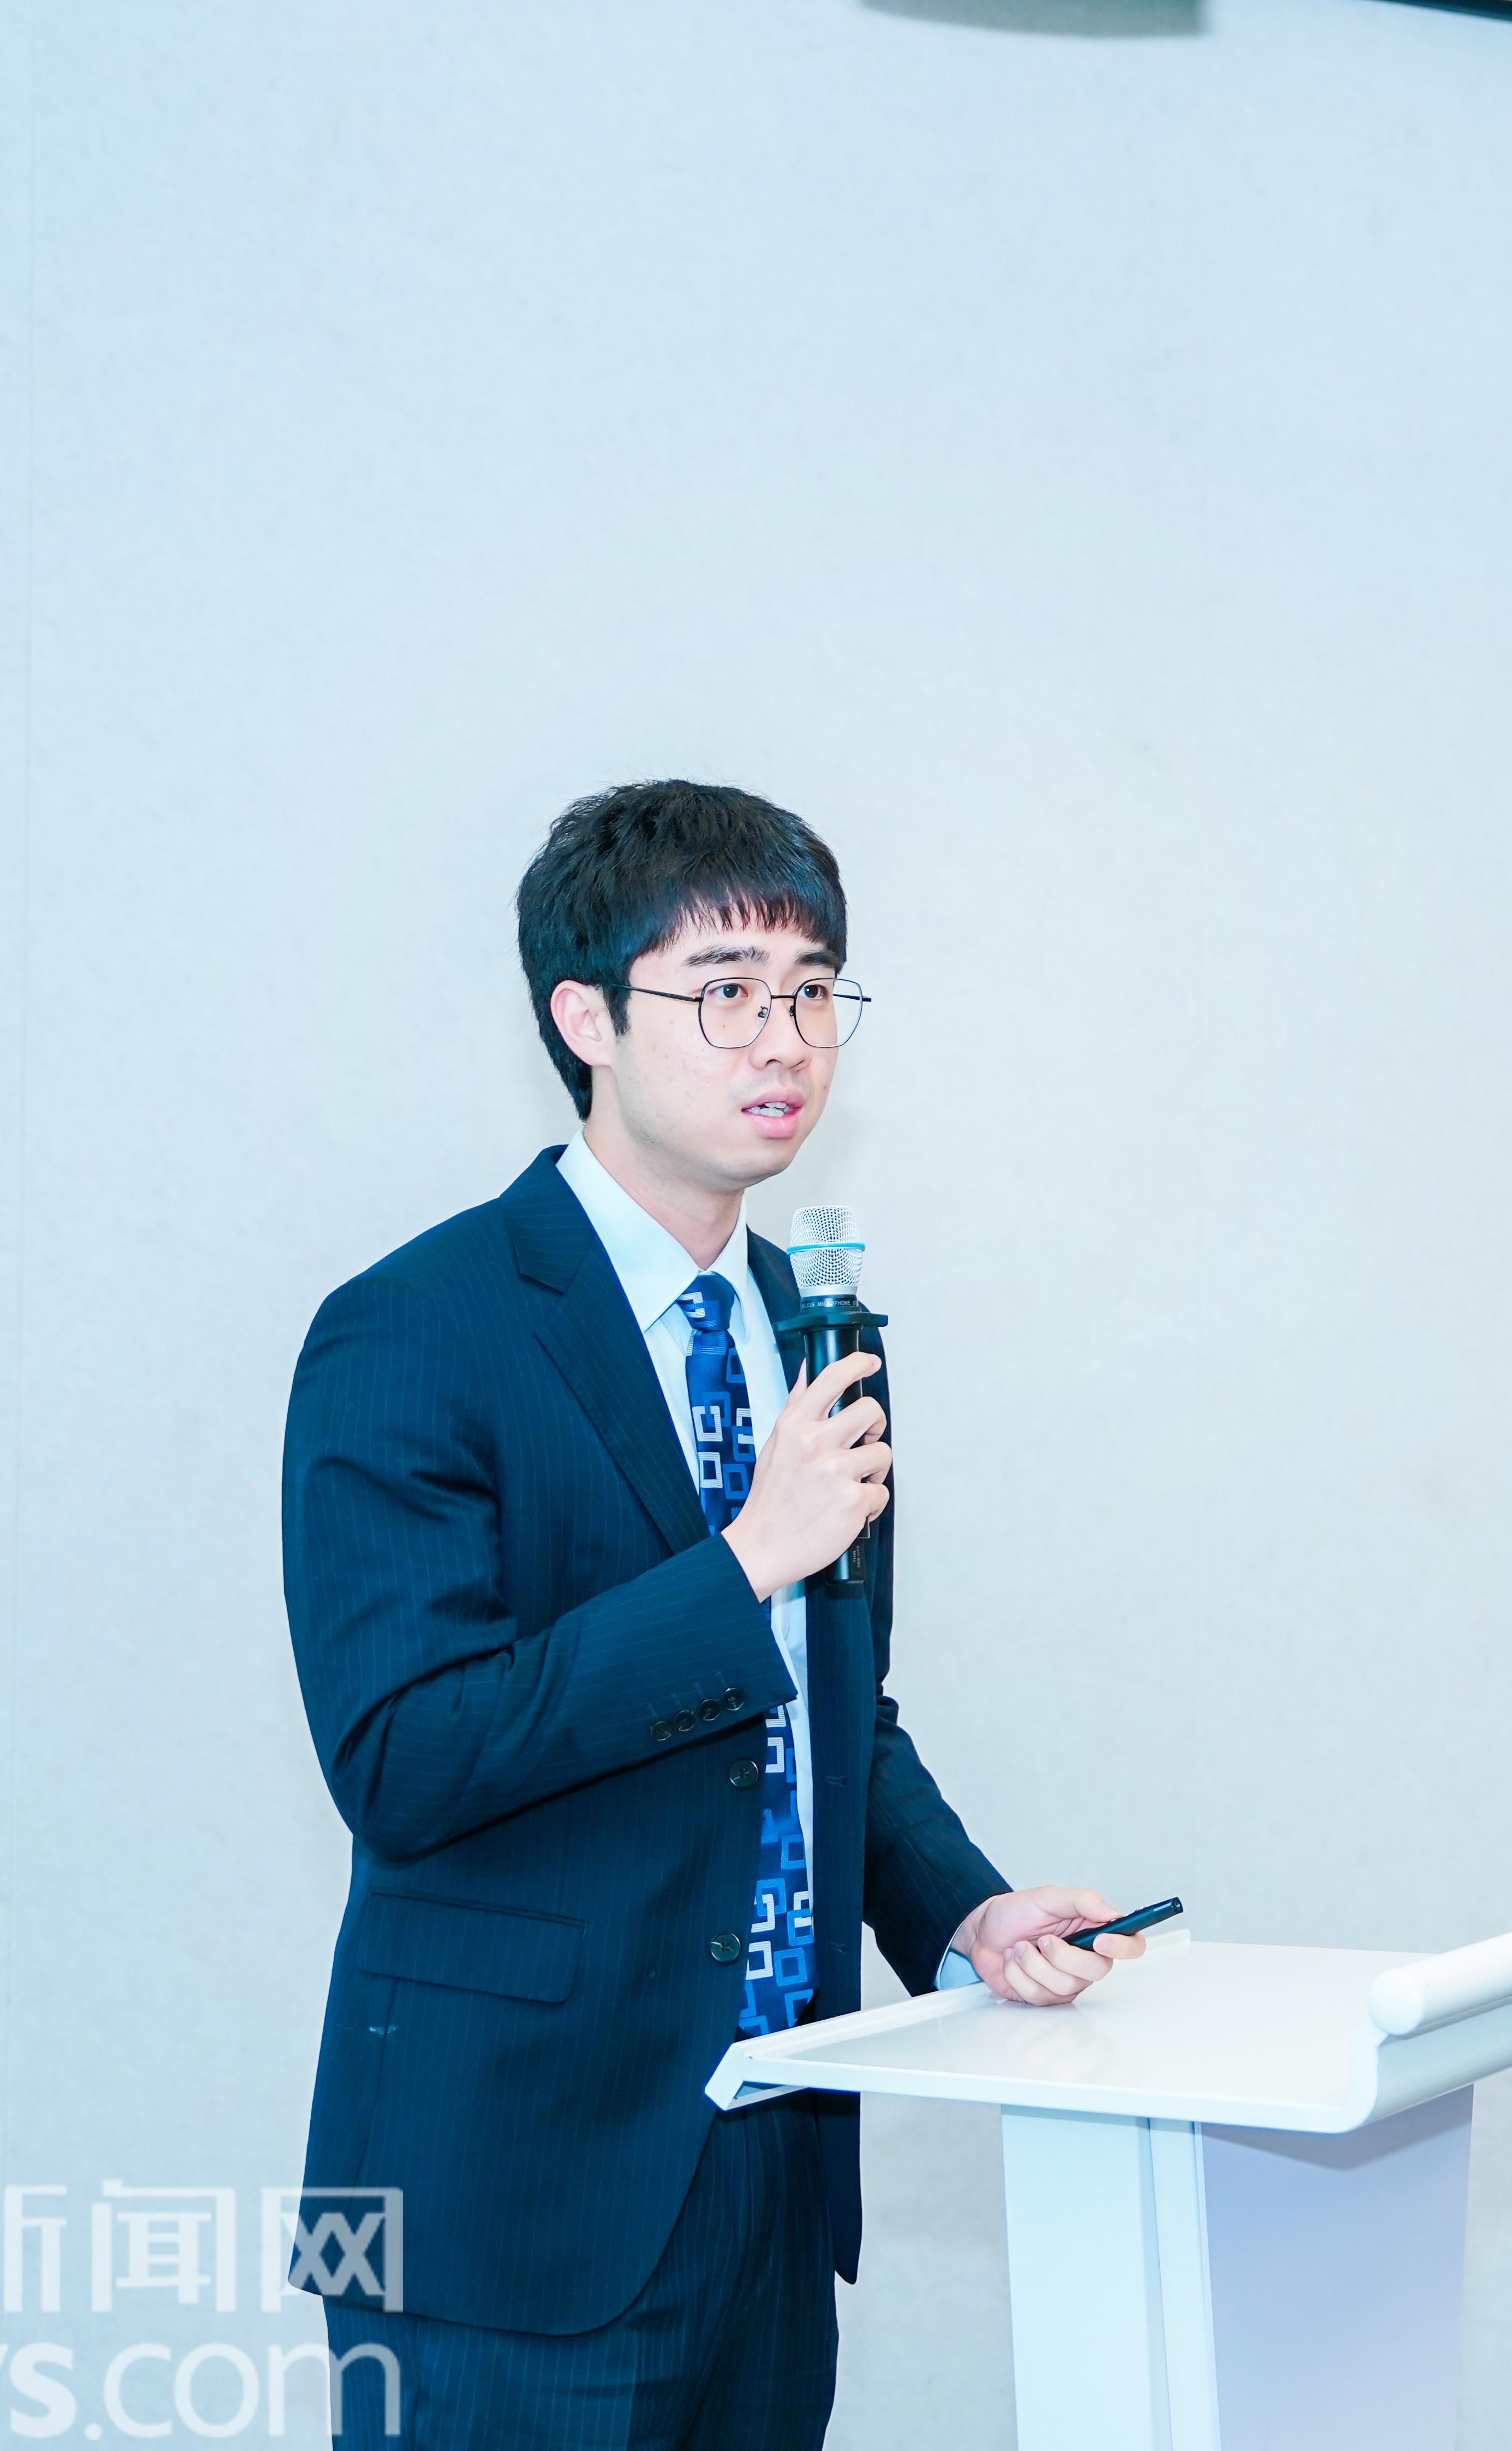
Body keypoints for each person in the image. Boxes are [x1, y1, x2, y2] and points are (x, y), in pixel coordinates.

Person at [280, 780, 1131, 2448]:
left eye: (813, 992)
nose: (784, 1042)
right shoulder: (413, 1326)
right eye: (726, 991)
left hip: (770, 2153)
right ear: (583, 1018)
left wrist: (965, 1914)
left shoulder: (817, 1328)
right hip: (506, 2185)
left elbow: (830, 1706)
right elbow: (404, 1758)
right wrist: (744, 1560)